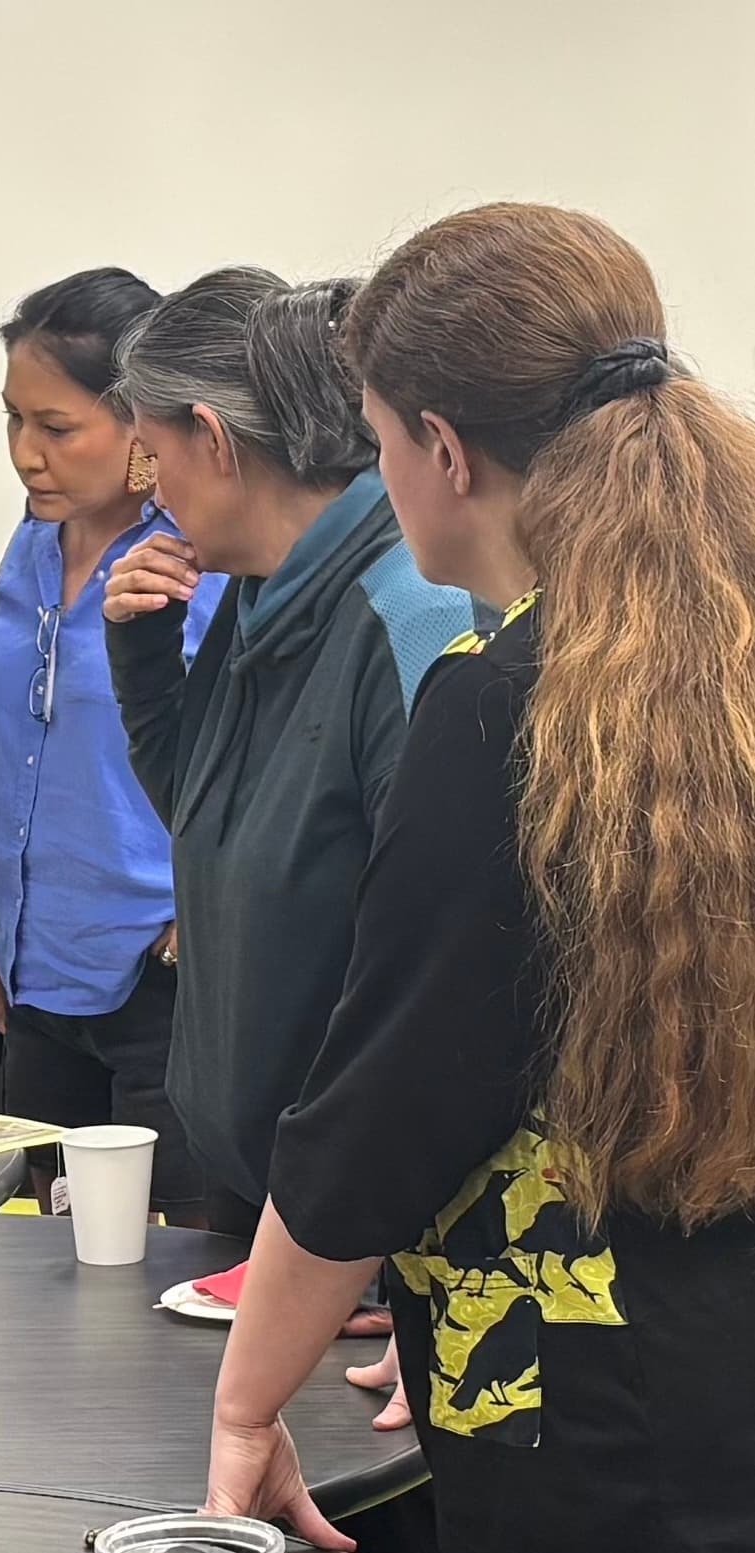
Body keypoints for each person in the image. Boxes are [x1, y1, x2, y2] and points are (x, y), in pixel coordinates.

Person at [206, 203, 755, 1553]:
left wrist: (245, 1403)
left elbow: (388, 1099)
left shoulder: (499, 698)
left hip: (594, 1421)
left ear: (441, 451)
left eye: (379, 442)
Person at [103, 268, 474, 1237]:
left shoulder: (409, 616)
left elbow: (440, 981)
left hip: (363, 1212)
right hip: (264, 1180)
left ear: (213, 439)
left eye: (151, 460)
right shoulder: (255, 589)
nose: (148, 497)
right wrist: (140, 653)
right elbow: (202, 816)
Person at [0, 267, 228, 1226]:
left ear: (141, 430)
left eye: (56, 427)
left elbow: (249, 770)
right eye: (12, 422)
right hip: (36, 978)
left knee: (180, 1274)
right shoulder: (28, 548)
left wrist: (203, 915)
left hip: (161, 982)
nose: (26, 455)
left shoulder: (200, 563)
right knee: (52, 1274)